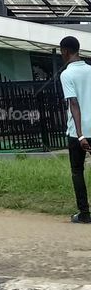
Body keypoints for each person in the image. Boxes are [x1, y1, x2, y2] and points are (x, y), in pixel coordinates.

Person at [60, 35, 91, 223]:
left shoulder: (67, 74)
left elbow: (74, 103)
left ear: (65, 51)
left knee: (77, 171)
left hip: (77, 133)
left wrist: (80, 136)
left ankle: (84, 213)